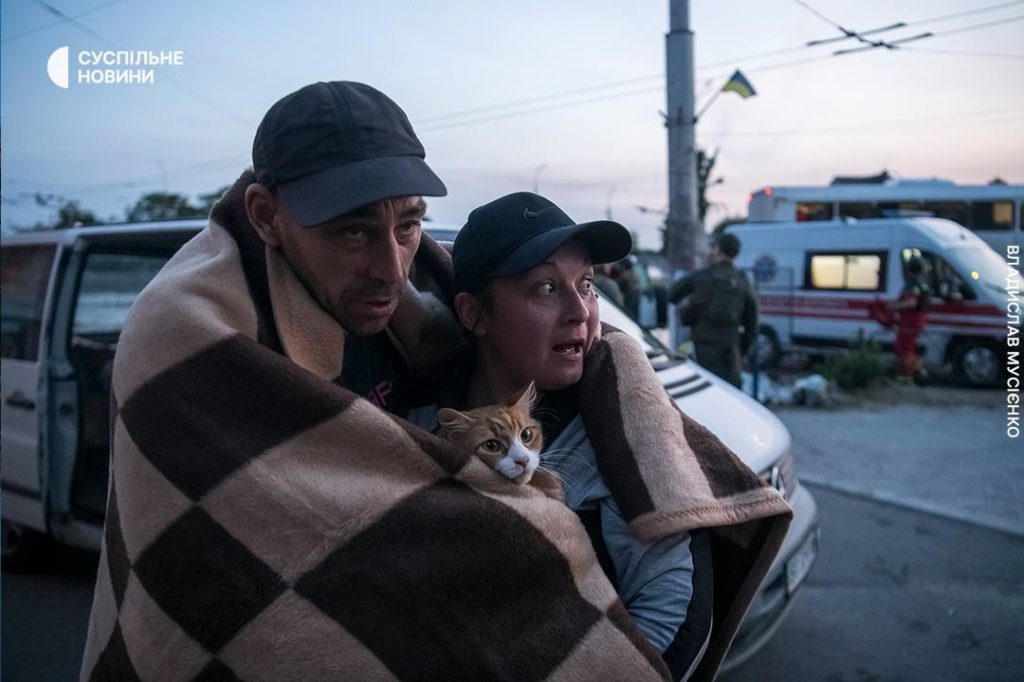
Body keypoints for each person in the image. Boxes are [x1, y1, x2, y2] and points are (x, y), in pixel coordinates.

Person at [80, 83, 685, 681]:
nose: (392, 269)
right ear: (266, 215)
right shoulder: (189, 336)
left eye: (408, 225)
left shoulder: (426, 324)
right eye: (353, 231)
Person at [447, 192, 793, 681]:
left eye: (586, 284)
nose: (582, 312)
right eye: (546, 288)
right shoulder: (407, 418)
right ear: (473, 313)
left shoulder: (618, 437)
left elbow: (674, 627)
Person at [668, 232, 758, 387]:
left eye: (713, 247)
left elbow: (672, 295)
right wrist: (741, 350)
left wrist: (689, 304)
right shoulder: (742, 280)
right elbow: (752, 322)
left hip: (702, 349)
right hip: (731, 351)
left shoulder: (702, 276)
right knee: (732, 397)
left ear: (718, 250)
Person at [888, 256, 931, 380]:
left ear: (909, 270)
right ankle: (917, 372)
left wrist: (894, 306)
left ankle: (908, 374)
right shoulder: (923, 283)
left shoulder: (912, 283)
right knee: (909, 346)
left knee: (904, 347)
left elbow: (911, 302)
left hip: (910, 320)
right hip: (918, 319)